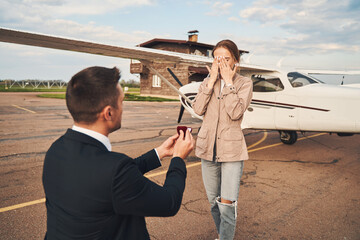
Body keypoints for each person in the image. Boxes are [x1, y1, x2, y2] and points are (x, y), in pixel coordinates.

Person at [42, 66, 194, 240]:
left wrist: (159, 153)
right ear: (108, 112)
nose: (122, 108)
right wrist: (178, 159)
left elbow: (102, 178)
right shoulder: (115, 171)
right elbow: (169, 202)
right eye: (121, 102)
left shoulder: (56, 150)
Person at [192, 40, 253, 240]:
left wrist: (228, 83)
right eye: (218, 60)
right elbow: (198, 109)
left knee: (227, 204)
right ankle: (223, 234)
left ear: (236, 60)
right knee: (213, 202)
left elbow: (235, 112)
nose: (222, 64)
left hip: (232, 152)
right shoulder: (207, 82)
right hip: (207, 149)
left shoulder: (244, 84)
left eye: (226, 59)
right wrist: (210, 82)